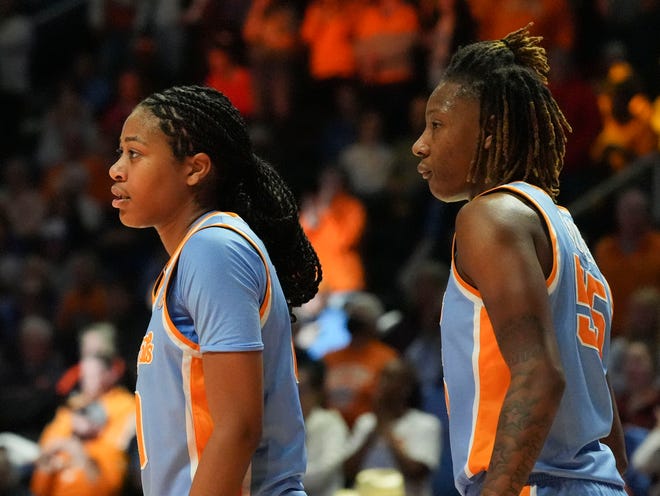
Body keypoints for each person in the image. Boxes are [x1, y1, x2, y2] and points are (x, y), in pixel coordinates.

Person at [411, 25, 628, 496]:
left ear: (488, 133)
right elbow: (606, 423)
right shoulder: (565, 229)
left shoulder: (489, 216)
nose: (420, 144)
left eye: (437, 124)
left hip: (535, 483)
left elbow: (539, 374)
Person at [108, 85, 321, 495]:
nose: (116, 169)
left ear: (195, 168)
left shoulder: (214, 248)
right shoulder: (192, 256)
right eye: (120, 154)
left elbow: (238, 426)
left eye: (134, 154)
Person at [343, 357, 441, 496]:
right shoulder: (365, 422)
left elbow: (416, 473)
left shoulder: (426, 424)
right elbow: (347, 470)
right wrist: (373, 433)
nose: (382, 384)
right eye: (381, 378)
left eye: (390, 378)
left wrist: (386, 429)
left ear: (406, 388)